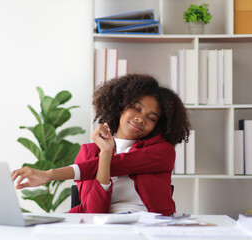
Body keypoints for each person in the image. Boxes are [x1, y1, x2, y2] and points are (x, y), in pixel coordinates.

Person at [11, 74, 190, 216]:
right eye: (136, 108)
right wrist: (105, 152)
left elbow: (119, 164)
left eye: (151, 118)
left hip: (147, 228)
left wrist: (50, 175)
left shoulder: (161, 152)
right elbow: (94, 212)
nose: (140, 118)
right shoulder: (88, 152)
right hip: (102, 229)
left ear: (157, 125)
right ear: (121, 106)